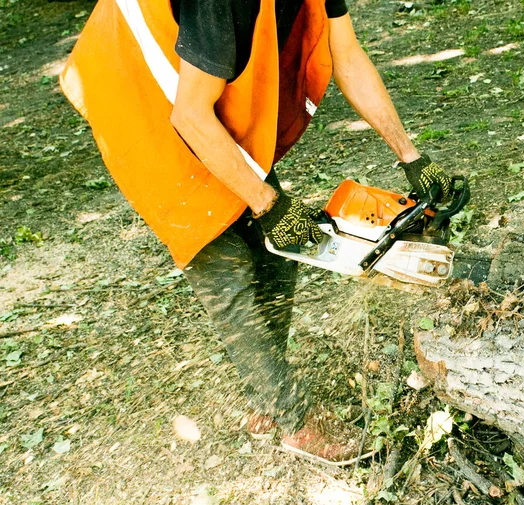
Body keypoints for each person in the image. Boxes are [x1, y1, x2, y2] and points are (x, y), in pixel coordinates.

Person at [60, 0, 452, 464]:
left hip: (192, 86)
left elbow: (345, 54)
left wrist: (410, 155)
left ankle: (267, 399)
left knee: (275, 257)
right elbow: (188, 116)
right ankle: (295, 421)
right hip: (139, 91)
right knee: (227, 269)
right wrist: (267, 204)